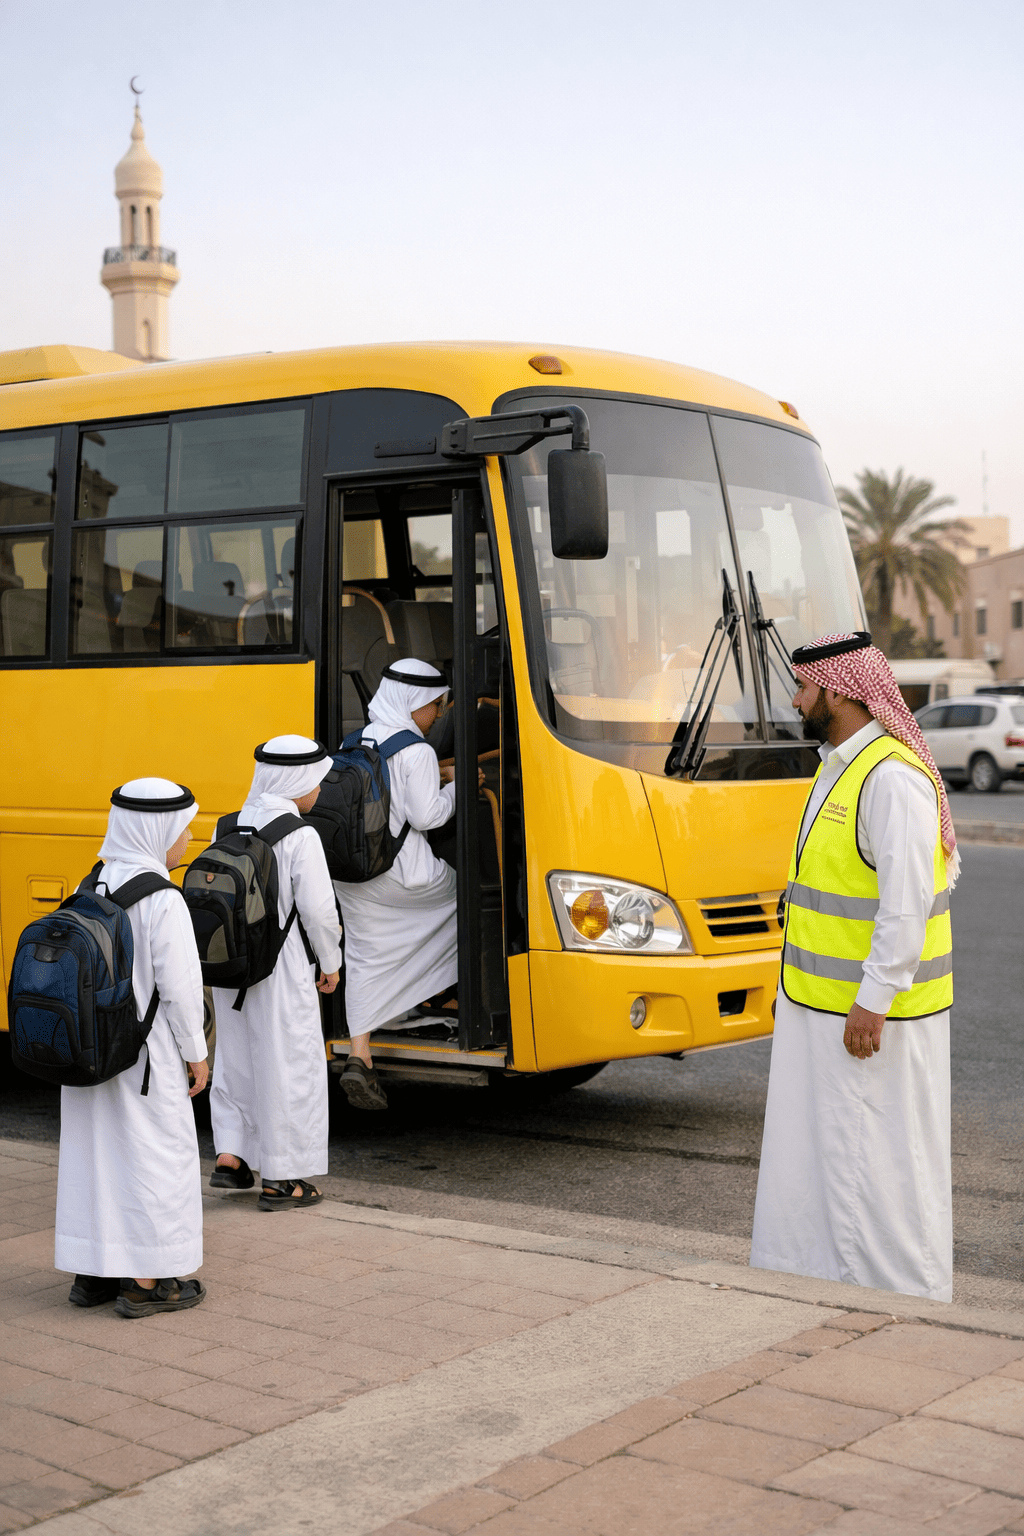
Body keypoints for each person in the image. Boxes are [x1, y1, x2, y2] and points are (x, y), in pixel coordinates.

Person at [750, 631, 956, 1303]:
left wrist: (874, 999)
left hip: (873, 1021)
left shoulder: (892, 778)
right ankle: (818, 1287)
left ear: (840, 690)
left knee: (881, 1166)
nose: (795, 697)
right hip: (819, 1010)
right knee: (821, 1159)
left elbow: (905, 906)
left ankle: (907, 1301)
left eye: (804, 686)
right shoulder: (837, 766)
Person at [55, 778, 209, 1317]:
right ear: (157, 829)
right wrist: (198, 1052)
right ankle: (149, 1282)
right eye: (183, 827)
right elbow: (183, 989)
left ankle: (93, 1274)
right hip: (145, 1056)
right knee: (157, 1159)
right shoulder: (163, 898)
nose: (189, 838)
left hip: (90, 1053)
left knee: (94, 1157)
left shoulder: (90, 882)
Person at [333, 658, 473, 1112]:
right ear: (414, 705)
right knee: (468, 904)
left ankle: (361, 1052)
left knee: (367, 953)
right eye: (436, 706)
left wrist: (438, 779)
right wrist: (461, 785)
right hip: (405, 877)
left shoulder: (353, 741)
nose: (438, 715)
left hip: (354, 877)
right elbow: (427, 815)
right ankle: (449, 999)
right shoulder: (418, 751)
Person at [209, 735, 341, 1210]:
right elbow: (320, 913)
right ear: (296, 781)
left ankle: (231, 1155)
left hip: (232, 969)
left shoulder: (225, 825)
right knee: (288, 1064)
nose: (320, 792)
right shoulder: (299, 835)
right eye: (316, 782)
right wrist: (331, 962)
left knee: (235, 1060)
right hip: (280, 968)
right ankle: (282, 1180)